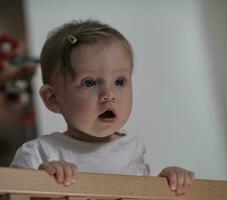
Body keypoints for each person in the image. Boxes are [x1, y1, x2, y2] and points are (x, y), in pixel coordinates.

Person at [10, 19, 195, 196]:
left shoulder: (132, 148)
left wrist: (166, 184)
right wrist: (39, 186)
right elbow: (9, 195)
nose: (109, 93)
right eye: (89, 82)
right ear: (53, 98)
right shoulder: (40, 152)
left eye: (119, 81)